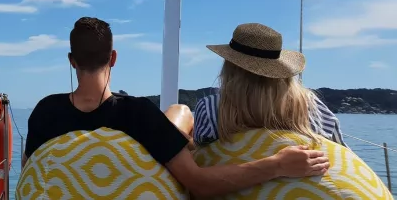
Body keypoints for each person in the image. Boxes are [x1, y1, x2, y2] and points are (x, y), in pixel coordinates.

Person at [23, 17, 330, 199]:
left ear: (71, 60)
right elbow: (198, 184)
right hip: (165, 133)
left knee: (178, 114)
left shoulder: (43, 111)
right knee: (180, 112)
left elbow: (30, 175)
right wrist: (278, 165)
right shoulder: (137, 113)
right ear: (113, 58)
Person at [193, 22, 346, 147]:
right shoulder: (312, 106)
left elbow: (201, 157)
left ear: (230, 66)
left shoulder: (210, 108)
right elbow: (341, 153)